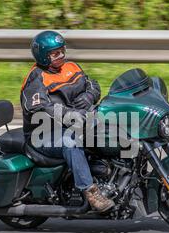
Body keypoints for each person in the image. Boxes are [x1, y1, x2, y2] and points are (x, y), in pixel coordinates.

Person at [20, 30, 114, 213]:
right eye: (55, 53)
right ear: (43, 56)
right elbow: (40, 108)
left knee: (110, 128)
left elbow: (92, 84)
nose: (61, 56)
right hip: (43, 134)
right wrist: (68, 114)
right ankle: (91, 192)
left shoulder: (72, 67)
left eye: (62, 50)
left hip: (75, 124)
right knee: (71, 141)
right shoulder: (36, 78)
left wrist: (89, 95)